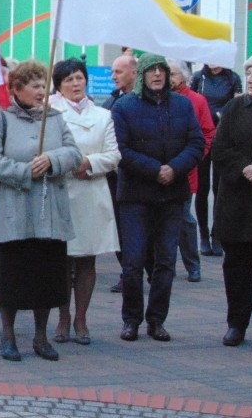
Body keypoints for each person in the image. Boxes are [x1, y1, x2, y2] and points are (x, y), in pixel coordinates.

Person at [0, 60, 82, 362]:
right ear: (17, 89)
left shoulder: (57, 118)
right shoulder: (1, 120)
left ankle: (40, 336)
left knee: (48, 277)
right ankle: (8, 337)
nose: (42, 91)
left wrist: (52, 159)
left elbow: (74, 154)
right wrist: (26, 172)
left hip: (49, 211)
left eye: (44, 85)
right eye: (35, 86)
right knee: (13, 276)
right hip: (14, 210)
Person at [111, 54, 204, 343]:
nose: (157, 76)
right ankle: (131, 320)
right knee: (133, 260)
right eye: (151, 71)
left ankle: (156, 320)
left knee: (166, 261)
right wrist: (155, 170)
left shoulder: (182, 104)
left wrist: (174, 168)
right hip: (136, 195)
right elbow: (120, 149)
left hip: (171, 194)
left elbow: (197, 142)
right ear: (142, 75)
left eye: (161, 71)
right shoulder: (124, 105)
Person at [49, 58, 121, 346]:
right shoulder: (50, 114)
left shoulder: (103, 115)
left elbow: (114, 155)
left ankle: (82, 317)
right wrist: (67, 163)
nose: (75, 84)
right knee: (62, 260)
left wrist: (89, 163)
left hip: (92, 191)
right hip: (62, 191)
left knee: (87, 258)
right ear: (59, 86)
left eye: (79, 78)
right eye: (69, 80)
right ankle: (63, 317)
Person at [211, 53, 252, 348]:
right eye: (250, 74)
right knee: (236, 268)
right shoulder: (234, 107)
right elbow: (219, 149)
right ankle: (237, 324)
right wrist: (248, 170)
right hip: (238, 203)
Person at [168, 59, 215, 283]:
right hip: (160, 170)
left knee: (184, 219)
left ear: (185, 77)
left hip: (187, 170)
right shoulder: (159, 99)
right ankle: (165, 265)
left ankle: (192, 265)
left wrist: (196, 157)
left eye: (173, 74)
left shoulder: (196, 100)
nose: (168, 78)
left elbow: (208, 133)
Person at [191, 63, 243, 256]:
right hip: (203, 137)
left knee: (220, 187)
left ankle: (217, 235)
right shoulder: (199, 78)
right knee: (202, 188)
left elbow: (237, 106)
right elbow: (193, 103)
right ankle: (203, 235)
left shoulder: (233, 78)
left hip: (224, 138)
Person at [102, 54, 138, 293]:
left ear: (134, 73)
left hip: (136, 175)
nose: (113, 76)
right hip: (113, 176)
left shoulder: (140, 102)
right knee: (117, 226)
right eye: (113, 71)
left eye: (119, 72)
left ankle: (137, 272)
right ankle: (128, 272)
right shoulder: (112, 101)